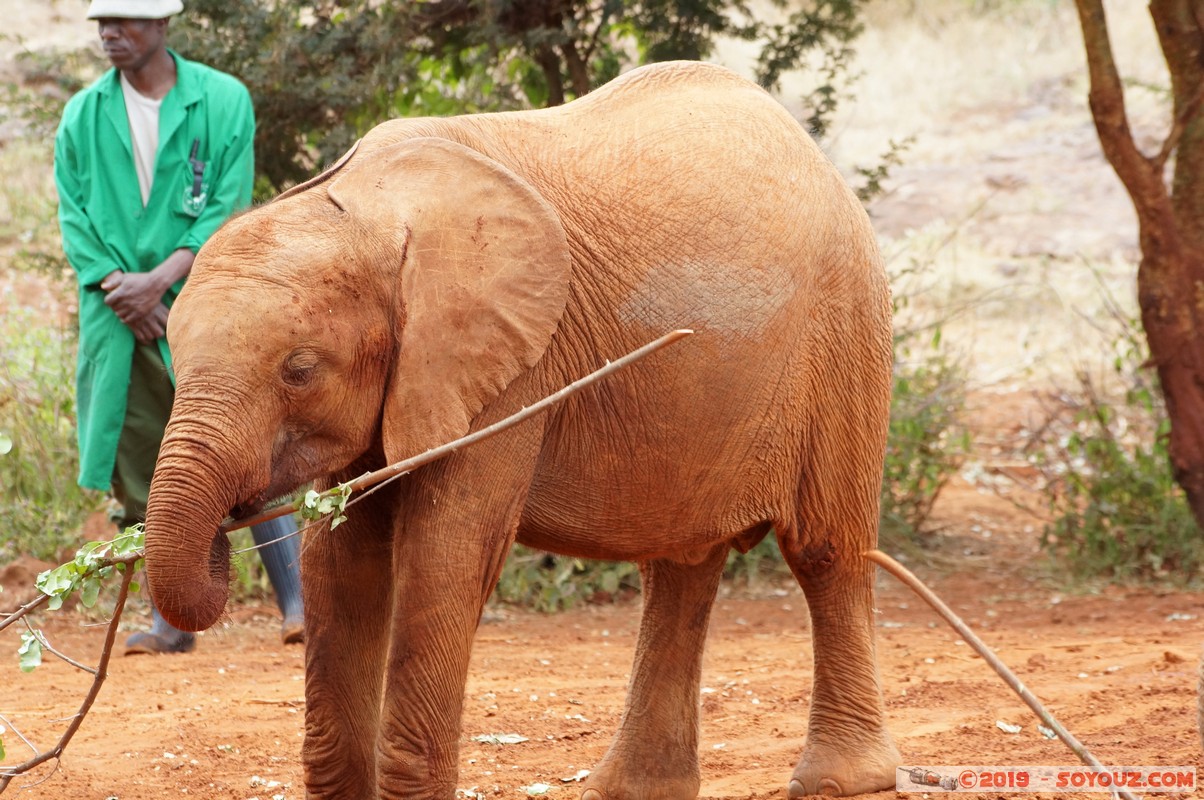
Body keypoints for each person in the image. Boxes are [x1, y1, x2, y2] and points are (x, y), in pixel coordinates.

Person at [54, 0, 304, 654]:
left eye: (126, 21)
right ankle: (171, 620)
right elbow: (74, 217)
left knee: (241, 450)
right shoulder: (82, 115)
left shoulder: (223, 101)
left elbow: (228, 203)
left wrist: (161, 281)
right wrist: (124, 289)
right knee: (141, 460)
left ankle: (300, 604)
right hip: (117, 316)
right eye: (102, 23)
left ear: (164, 24)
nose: (111, 32)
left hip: (204, 300)